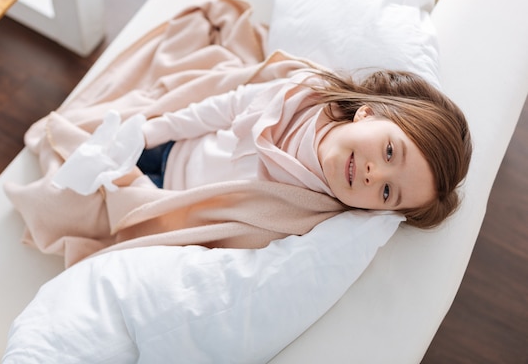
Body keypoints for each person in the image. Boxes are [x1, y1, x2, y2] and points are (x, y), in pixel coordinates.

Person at [113, 68, 472, 229]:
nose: (372, 174)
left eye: (387, 191)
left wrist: (149, 199)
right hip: (174, 148)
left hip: (165, 204)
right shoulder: (300, 97)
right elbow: (226, 107)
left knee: (105, 203)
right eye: (390, 152)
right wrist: (150, 132)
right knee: (97, 149)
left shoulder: (313, 207)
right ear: (368, 113)